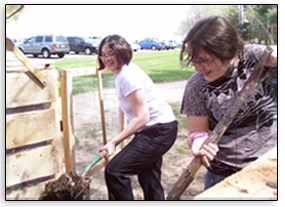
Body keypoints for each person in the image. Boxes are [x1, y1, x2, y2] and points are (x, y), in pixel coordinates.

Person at [180, 16, 277, 190]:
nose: (197, 67)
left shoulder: (254, 58)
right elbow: (196, 131)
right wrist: (197, 141)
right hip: (224, 176)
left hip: (271, 166)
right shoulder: (197, 85)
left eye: (205, 60)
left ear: (229, 51)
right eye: (194, 60)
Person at [98, 34, 178, 200]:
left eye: (111, 54)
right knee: (149, 177)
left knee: (115, 171)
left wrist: (114, 142)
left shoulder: (127, 76)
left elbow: (142, 117)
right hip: (158, 128)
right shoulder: (122, 72)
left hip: (159, 131)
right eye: (103, 54)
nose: (107, 58)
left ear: (122, 52)